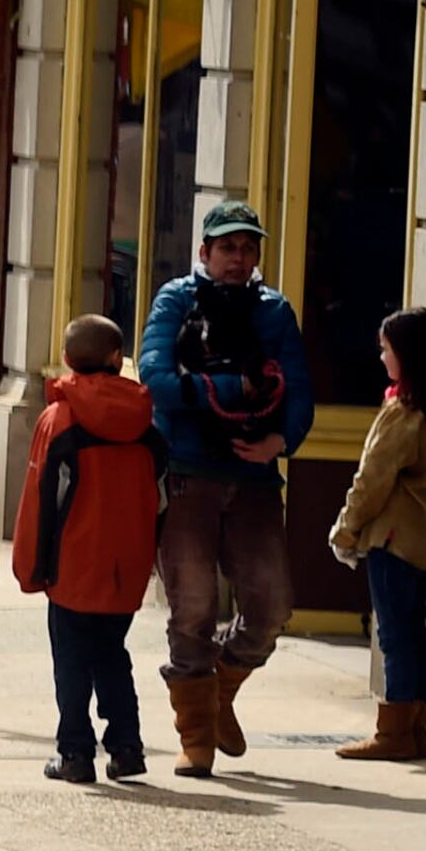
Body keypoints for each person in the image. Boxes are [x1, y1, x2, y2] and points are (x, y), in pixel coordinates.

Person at [133, 198, 312, 769]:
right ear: (204, 252)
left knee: (271, 606)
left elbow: (299, 393)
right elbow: (155, 378)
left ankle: (217, 694)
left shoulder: (274, 311)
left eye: (249, 248)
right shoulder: (175, 299)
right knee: (192, 609)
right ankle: (197, 739)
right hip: (187, 474)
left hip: (256, 478)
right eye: (228, 247)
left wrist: (280, 441)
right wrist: (239, 390)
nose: (239, 259)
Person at [9, 315, 165, 784]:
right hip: (127, 565)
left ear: (67, 360)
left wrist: (32, 567)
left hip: (74, 563)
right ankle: (126, 744)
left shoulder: (59, 420)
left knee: (72, 659)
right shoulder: (146, 425)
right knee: (112, 652)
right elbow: (160, 501)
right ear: (119, 360)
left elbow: (40, 501)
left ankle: (75, 751)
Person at [328, 306, 426, 765]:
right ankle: (414, 729)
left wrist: (345, 530)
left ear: (407, 355)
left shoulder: (403, 410)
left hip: (393, 537)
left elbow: (373, 478)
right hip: (422, 538)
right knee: (412, 632)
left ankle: (394, 732)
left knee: (395, 635)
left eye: (386, 349)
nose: (381, 356)